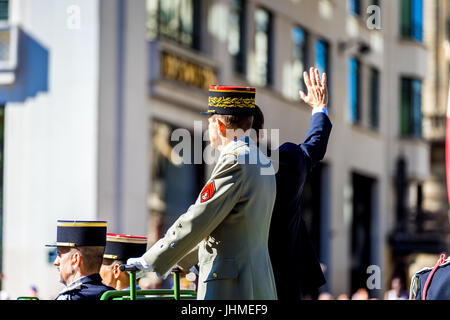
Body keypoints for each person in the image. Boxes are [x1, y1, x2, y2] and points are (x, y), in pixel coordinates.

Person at [127, 85, 278, 300]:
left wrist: (151, 260)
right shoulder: (261, 160)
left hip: (232, 285)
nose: (209, 130)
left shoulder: (235, 159)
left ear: (219, 125)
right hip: (254, 281)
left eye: (209, 123)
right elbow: (225, 226)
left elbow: (200, 217)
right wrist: (183, 260)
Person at [252, 67, 332, 300]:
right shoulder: (286, 162)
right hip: (286, 283)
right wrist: (319, 107)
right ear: (262, 131)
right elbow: (314, 145)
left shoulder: (230, 170)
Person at [46, 220, 115, 300]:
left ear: (75, 259)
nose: (55, 262)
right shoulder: (114, 295)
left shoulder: (70, 298)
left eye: (59, 254)